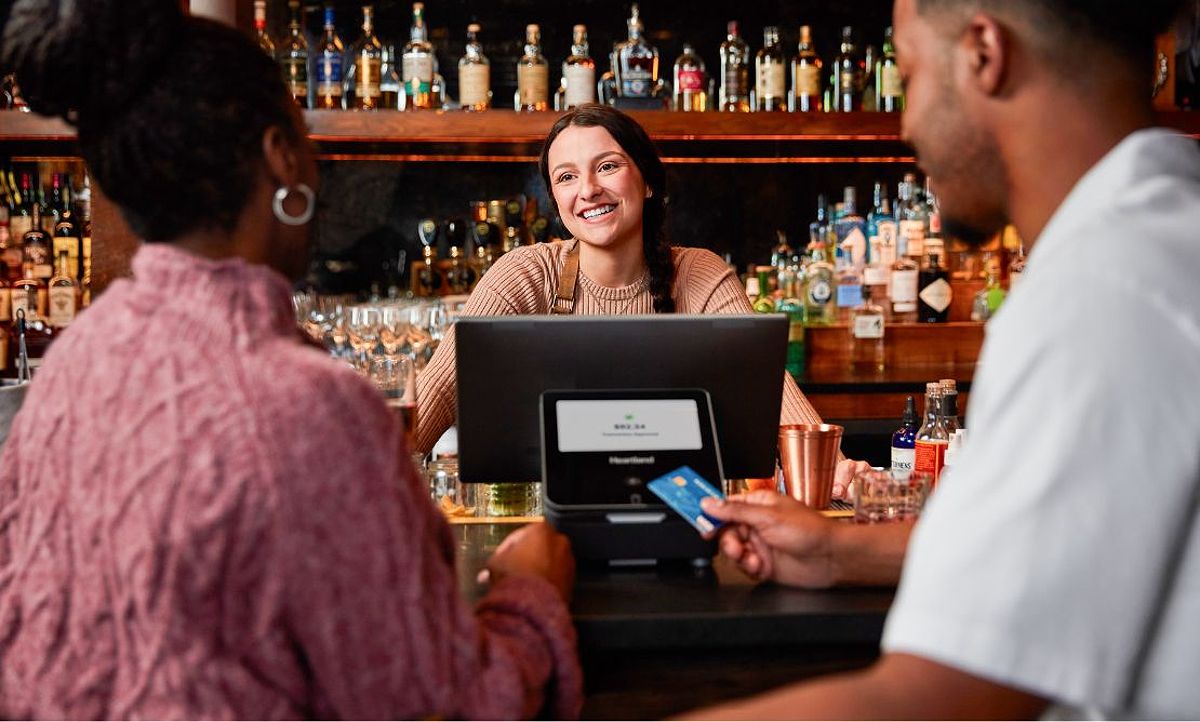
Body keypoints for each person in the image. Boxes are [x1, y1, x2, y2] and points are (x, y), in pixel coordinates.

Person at [0, 1, 580, 718]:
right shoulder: (308, 405)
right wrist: (530, 592)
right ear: (282, 158)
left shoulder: (72, 364)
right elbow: (447, 705)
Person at [693, 0, 1200, 718]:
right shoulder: (1166, 231)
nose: (904, 127)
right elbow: (1068, 551)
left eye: (907, 74)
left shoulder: (1102, 293)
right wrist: (842, 554)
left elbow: (935, 702)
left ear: (983, 53)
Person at [415, 105, 860, 484]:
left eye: (607, 166)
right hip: (546, 525)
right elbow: (433, 398)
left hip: (683, 515)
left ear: (647, 182)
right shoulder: (524, 275)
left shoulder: (698, 274)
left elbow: (778, 401)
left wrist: (839, 472)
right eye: (567, 177)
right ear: (555, 199)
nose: (588, 190)